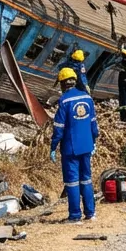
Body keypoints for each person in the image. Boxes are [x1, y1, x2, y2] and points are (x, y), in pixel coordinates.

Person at [49, 68, 99, 223]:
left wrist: (53, 146)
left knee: (72, 182)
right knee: (87, 180)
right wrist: (94, 141)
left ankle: (75, 216)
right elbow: (93, 124)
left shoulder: (64, 101)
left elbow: (59, 127)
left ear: (63, 84)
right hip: (87, 146)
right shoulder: (87, 98)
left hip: (70, 148)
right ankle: (91, 214)